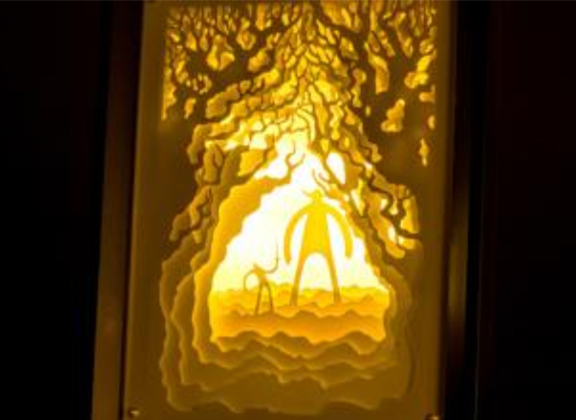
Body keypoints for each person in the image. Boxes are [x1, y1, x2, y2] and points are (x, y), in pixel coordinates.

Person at [284, 190, 352, 305]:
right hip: (308, 242)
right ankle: (293, 300)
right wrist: (287, 253)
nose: (316, 200)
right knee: (300, 269)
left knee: (331, 268)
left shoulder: (323, 208)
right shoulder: (311, 208)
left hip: (323, 241)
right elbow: (293, 223)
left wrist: (348, 248)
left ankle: (337, 300)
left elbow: (341, 222)